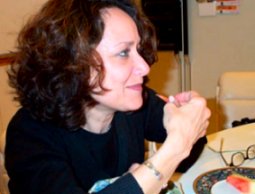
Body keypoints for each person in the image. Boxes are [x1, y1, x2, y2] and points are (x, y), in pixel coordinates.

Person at [5, 0, 211, 193]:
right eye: (123, 53)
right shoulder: (28, 135)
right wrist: (169, 154)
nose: (145, 67)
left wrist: (189, 120)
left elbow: (188, 154)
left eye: (138, 50)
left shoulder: (135, 104)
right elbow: (178, 149)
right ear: (72, 63)